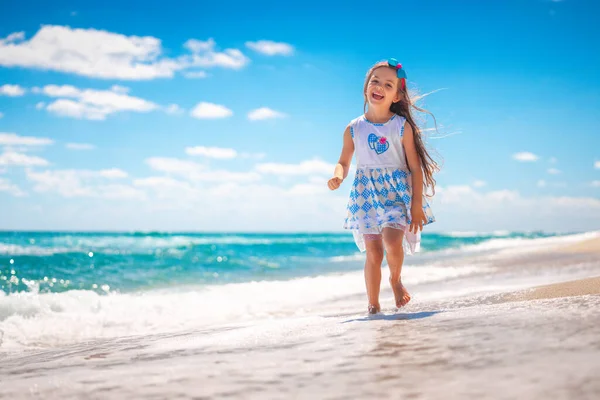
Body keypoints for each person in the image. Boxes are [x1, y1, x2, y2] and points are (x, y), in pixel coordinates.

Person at [328, 59, 439, 314]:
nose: (379, 86)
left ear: (397, 95)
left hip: (396, 193)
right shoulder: (354, 128)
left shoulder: (401, 126)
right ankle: (373, 305)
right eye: (375, 81)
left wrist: (416, 205)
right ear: (367, 86)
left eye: (387, 84)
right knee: (373, 253)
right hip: (366, 196)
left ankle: (395, 279)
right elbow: (343, 161)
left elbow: (415, 167)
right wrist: (338, 176)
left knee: (391, 240)